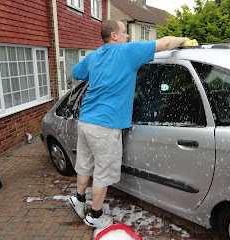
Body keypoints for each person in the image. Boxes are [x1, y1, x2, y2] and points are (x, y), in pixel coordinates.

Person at [69, 19, 190, 229]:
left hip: (86, 120)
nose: (127, 36)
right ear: (114, 35)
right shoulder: (127, 52)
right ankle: (96, 215)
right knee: (102, 174)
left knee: (85, 165)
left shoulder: (94, 56)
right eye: (124, 32)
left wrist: (98, 71)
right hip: (106, 125)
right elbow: (166, 43)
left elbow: (76, 73)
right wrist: (185, 40)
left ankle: (79, 201)